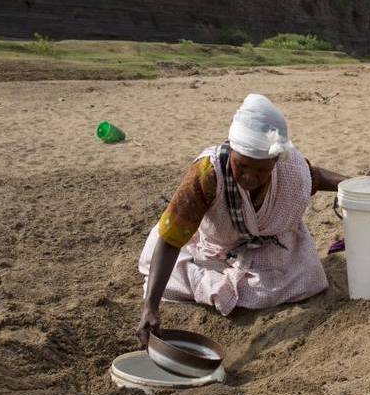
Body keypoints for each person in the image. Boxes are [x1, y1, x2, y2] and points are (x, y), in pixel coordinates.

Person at [136, 94, 349, 346]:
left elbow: (316, 178)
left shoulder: (290, 170)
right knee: (165, 279)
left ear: (275, 162)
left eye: (261, 170)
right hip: (215, 246)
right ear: (232, 150)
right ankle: (208, 277)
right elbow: (171, 238)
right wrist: (151, 306)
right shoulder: (207, 172)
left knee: (305, 280)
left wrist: (353, 183)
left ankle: (230, 283)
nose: (250, 176)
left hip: (268, 248)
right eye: (242, 165)